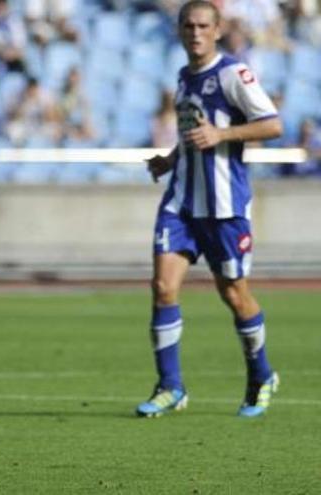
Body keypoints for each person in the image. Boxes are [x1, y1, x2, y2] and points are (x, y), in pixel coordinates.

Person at [139, 1, 283, 419]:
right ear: (180, 30)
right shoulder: (185, 77)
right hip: (182, 200)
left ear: (217, 30)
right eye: (188, 25)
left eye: (203, 25)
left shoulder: (233, 73)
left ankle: (261, 376)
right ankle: (171, 387)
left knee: (235, 295)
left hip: (224, 207)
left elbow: (273, 124)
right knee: (163, 287)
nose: (195, 32)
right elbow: (192, 132)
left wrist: (224, 132)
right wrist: (169, 158)